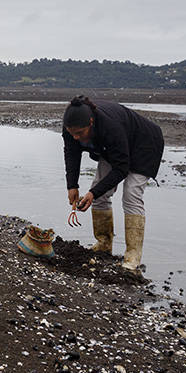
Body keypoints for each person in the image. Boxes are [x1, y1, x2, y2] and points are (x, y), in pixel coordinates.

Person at [62, 95, 164, 272]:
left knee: (131, 194)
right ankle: (104, 244)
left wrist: (92, 193)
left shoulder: (110, 127)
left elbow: (121, 169)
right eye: (72, 134)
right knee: (99, 192)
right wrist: (72, 185)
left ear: (91, 122)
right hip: (113, 148)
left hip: (145, 144)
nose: (76, 137)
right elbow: (72, 153)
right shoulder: (71, 128)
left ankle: (133, 255)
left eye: (80, 133)